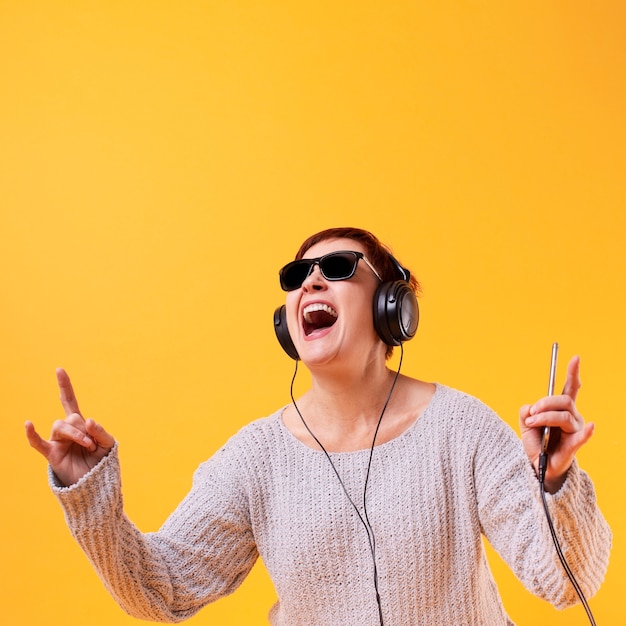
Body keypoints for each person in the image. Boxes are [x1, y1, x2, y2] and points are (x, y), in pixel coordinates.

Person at [26, 227, 611, 625]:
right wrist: (91, 496)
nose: (309, 282)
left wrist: (556, 484)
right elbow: (162, 590)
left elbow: (565, 583)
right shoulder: (256, 458)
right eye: (298, 273)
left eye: (336, 268)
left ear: (392, 309)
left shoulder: (463, 430)